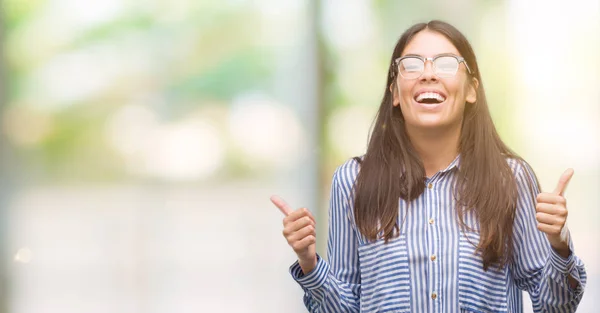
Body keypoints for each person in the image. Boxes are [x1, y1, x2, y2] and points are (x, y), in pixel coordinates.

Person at [270, 20, 586, 313]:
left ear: (472, 89)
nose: (428, 74)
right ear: (394, 91)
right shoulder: (352, 181)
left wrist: (559, 244)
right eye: (411, 65)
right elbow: (344, 306)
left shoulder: (510, 179)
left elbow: (555, 308)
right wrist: (309, 262)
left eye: (446, 63)